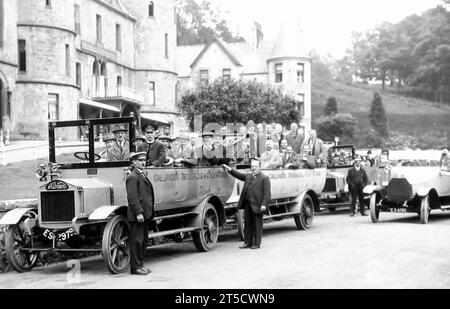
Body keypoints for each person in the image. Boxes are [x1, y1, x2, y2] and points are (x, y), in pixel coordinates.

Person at [222, 158, 271, 249]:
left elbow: (267, 194)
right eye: (252, 166)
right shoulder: (248, 176)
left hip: (258, 205)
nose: (253, 168)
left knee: (257, 225)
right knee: (248, 224)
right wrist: (229, 169)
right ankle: (247, 242)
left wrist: (264, 205)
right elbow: (239, 175)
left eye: (256, 166)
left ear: (259, 167)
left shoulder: (264, 178)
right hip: (248, 204)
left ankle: (256, 243)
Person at [126, 152, 154, 275]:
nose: (143, 162)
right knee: (137, 242)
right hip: (138, 215)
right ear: (134, 162)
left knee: (143, 241)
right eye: (140, 161)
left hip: (145, 214)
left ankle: (140, 265)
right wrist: (138, 212)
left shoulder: (141, 174)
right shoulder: (133, 176)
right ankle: (135, 267)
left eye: (144, 160)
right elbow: (132, 197)